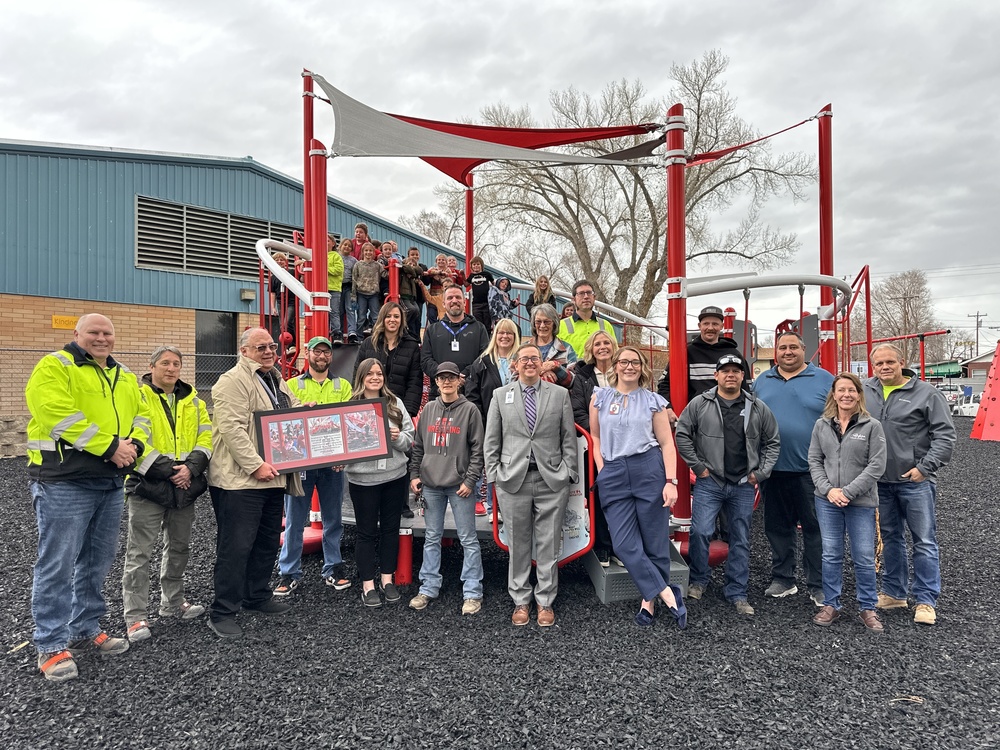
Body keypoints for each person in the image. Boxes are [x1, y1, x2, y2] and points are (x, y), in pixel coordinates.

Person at [25, 313, 152, 681]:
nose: (101, 338)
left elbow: (142, 417)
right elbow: (55, 414)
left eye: (107, 333)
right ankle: (50, 643)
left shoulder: (124, 376)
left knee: (96, 561)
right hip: (65, 480)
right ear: (76, 333)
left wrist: (135, 445)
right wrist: (111, 447)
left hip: (109, 482)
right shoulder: (55, 367)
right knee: (57, 564)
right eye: (93, 332)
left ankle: (85, 626)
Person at [206, 327, 304, 638]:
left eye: (272, 346)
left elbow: (293, 412)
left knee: (264, 543)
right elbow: (232, 428)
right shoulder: (232, 381)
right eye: (259, 346)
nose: (268, 351)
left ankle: (257, 595)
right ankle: (223, 610)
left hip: (273, 478)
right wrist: (255, 464)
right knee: (236, 547)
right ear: (244, 351)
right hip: (241, 481)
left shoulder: (275, 380)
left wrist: (312, 416)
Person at [675, 353, 780, 616]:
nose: (730, 375)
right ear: (716, 376)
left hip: (744, 483)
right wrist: (699, 467)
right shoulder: (700, 403)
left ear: (743, 376)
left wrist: (762, 472)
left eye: (736, 371)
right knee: (700, 532)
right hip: (710, 482)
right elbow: (682, 434)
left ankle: (737, 591)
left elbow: (773, 441)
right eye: (725, 371)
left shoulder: (757, 407)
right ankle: (699, 579)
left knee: (740, 537)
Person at [589, 347, 686, 629]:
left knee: (654, 540)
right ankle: (668, 592)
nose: (629, 366)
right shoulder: (601, 397)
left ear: (641, 367)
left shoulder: (654, 401)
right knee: (622, 543)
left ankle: (649, 601)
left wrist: (671, 481)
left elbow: (667, 443)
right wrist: (602, 469)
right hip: (614, 470)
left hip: (648, 469)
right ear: (615, 366)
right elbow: (595, 436)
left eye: (634, 362)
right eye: (624, 362)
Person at [121, 345, 212, 644]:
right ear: (152, 366)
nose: (171, 369)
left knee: (179, 548)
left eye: (176, 364)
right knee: (139, 553)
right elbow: (133, 438)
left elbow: (206, 436)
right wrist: (170, 471)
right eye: (165, 363)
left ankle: (172, 603)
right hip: (149, 485)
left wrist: (191, 467)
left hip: (184, 486)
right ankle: (135, 616)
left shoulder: (194, 402)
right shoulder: (137, 397)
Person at [484, 343, 578, 627]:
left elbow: (568, 438)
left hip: (551, 479)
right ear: (515, 365)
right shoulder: (500, 396)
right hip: (513, 479)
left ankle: (545, 601)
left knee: (549, 543)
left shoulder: (559, 395)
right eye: (523, 359)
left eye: (534, 359)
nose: (529, 363)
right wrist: (495, 476)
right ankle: (521, 600)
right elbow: (492, 440)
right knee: (519, 544)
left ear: (541, 363)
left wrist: (568, 471)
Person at [864, 344, 956, 626]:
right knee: (890, 537)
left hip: (914, 481)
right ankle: (894, 592)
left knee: (924, 540)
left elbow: (945, 435)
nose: (884, 367)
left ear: (902, 362)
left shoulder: (927, 393)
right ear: (873, 366)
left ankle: (926, 600)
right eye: (879, 364)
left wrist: (925, 468)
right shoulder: (865, 391)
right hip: (879, 481)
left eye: (890, 362)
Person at [752, 331, 833, 606]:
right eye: (782, 347)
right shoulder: (762, 381)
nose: (788, 352)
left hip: (813, 470)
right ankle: (783, 579)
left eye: (793, 347)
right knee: (777, 526)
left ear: (804, 349)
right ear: (776, 351)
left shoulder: (825, 379)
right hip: (772, 469)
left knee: (815, 527)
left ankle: (818, 584)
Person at [273, 337, 353, 597]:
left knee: (333, 519)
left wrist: (344, 454)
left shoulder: (343, 385)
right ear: (307, 354)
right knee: (295, 519)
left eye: (325, 352)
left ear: (331, 357)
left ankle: (333, 568)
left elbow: (348, 422)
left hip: (332, 464)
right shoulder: (291, 385)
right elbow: (283, 421)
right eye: (316, 351)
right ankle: (288, 573)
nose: (321, 356)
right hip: (301, 464)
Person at [808, 372, 888, 632]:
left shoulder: (871, 426)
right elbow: (814, 460)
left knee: (864, 556)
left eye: (851, 390)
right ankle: (831, 603)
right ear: (834, 394)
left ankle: (867, 607)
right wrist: (829, 490)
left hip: (861, 502)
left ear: (859, 395)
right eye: (841, 390)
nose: (846, 395)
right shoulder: (822, 425)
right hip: (827, 500)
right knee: (831, 554)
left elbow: (876, 465)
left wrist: (848, 492)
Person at [408, 361, 486, 615]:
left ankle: (473, 592)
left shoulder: (470, 410)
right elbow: (418, 446)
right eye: (442, 378)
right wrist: (415, 474)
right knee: (431, 537)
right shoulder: (429, 409)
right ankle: (428, 587)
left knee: (468, 539)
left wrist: (470, 480)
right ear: (437, 382)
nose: (446, 382)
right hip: (431, 484)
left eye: (451, 377)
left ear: (459, 380)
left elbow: (478, 449)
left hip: (459, 486)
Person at [346, 358, 415, 608]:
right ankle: (367, 584)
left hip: (394, 477)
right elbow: (342, 444)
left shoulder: (395, 404)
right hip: (363, 480)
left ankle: (387, 579)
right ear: (361, 376)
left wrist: (396, 439)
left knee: (390, 529)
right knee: (365, 532)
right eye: (370, 374)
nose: (375, 377)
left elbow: (409, 439)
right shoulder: (350, 406)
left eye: (379, 373)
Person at [569, 330, 619, 567]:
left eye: (606, 342)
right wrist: (601, 433)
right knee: (599, 496)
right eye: (597, 343)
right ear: (591, 349)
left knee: (623, 498)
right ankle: (602, 545)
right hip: (596, 446)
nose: (602, 347)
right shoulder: (583, 378)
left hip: (625, 445)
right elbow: (578, 412)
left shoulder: (625, 370)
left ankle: (622, 545)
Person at [464, 318, 521, 516]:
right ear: (494, 336)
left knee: (511, 464)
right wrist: (481, 421)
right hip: (489, 422)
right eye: (501, 333)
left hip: (517, 424)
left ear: (515, 337)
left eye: (509, 333)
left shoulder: (521, 361)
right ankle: (489, 505)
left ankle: (505, 506)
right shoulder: (482, 362)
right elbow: (472, 396)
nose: (505, 336)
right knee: (488, 463)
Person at [656, 305, 751, 422]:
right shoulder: (686, 353)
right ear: (699, 326)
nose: (710, 328)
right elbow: (664, 384)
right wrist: (668, 407)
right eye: (706, 324)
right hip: (696, 418)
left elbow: (746, 389)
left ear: (722, 326)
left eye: (715, 324)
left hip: (728, 418)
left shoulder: (734, 354)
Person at [355, 302, 423, 419]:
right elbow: (357, 375)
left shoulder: (412, 346)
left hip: (399, 410)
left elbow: (415, 382)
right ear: (382, 318)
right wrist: (358, 406)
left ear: (402, 320)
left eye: (396, 316)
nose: (392, 320)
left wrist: (407, 413)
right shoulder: (368, 344)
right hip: (369, 410)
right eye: (388, 316)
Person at [421, 285, 490, 399]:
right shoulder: (432, 330)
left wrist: (465, 375)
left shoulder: (479, 328)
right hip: (440, 393)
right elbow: (425, 360)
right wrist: (445, 376)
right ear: (443, 304)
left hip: (471, 392)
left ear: (464, 302)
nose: (454, 301)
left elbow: (484, 356)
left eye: (458, 297)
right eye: (450, 298)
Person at [558, 280, 616, 359]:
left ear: (594, 297)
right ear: (573, 299)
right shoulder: (561, 326)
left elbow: (615, 353)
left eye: (589, 293)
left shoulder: (606, 325)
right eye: (581, 293)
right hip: (573, 370)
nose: (586, 297)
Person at [525, 303, 576, 388]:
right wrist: (541, 375)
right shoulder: (524, 348)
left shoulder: (566, 348)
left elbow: (574, 381)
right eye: (538, 322)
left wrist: (556, 367)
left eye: (547, 322)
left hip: (557, 399)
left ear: (554, 323)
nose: (542, 325)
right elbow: (513, 377)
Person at [353, 242, 386, 335]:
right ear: (363, 252)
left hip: (373, 294)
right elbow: (354, 280)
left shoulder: (377, 265)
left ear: (374, 253)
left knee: (375, 316)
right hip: (361, 293)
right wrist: (353, 296)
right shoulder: (358, 265)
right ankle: (359, 337)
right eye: (366, 250)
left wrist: (392, 266)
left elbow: (385, 275)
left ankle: (376, 335)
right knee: (361, 317)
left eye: (370, 250)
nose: (368, 252)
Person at [268, 252, 298, 339]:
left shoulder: (291, 272)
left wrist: (302, 265)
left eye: (281, 260)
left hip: (291, 302)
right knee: (282, 325)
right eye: (276, 260)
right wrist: (273, 307)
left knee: (287, 323)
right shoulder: (273, 277)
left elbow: (302, 279)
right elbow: (272, 293)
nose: (279, 261)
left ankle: (292, 344)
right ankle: (289, 346)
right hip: (280, 302)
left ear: (285, 262)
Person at [399, 247, 426, 340]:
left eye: (416, 255)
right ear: (407, 257)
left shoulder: (421, 267)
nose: (414, 256)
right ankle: (403, 328)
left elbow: (422, 274)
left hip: (416, 297)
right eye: (412, 255)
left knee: (417, 316)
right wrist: (411, 267)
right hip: (405, 295)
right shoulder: (403, 269)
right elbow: (405, 267)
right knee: (411, 311)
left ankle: (416, 337)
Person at [336, 238, 359, 344]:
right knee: (338, 310)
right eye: (345, 245)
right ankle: (338, 332)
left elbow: (358, 273)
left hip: (349, 287)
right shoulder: (336, 257)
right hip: (337, 287)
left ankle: (352, 332)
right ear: (340, 246)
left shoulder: (353, 260)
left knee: (350, 309)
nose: (347, 247)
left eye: (349, 246)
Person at [466, 255, 495, 334]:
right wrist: (462, 275)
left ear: (481, 265)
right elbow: (466, 284)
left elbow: (494, 284)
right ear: (471, 266)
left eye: (478, 264)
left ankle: (488, 339)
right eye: (474, 264)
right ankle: (480, 339)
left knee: (487, 322)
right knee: (478, 323)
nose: (476, 266)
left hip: (486, 302)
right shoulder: (471, 276)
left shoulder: (487, 274)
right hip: (476, 303)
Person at [327, 235, 346, 344]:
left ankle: (336, 334)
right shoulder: (319, 255)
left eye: (328, 240)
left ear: (333, 243)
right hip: (322, 289)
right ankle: (324, 332)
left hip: (334, 288)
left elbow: (338, 270)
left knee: (334, 311)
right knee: (324, 313)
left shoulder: (336, 256)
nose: (325, 242)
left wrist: (324, 267)